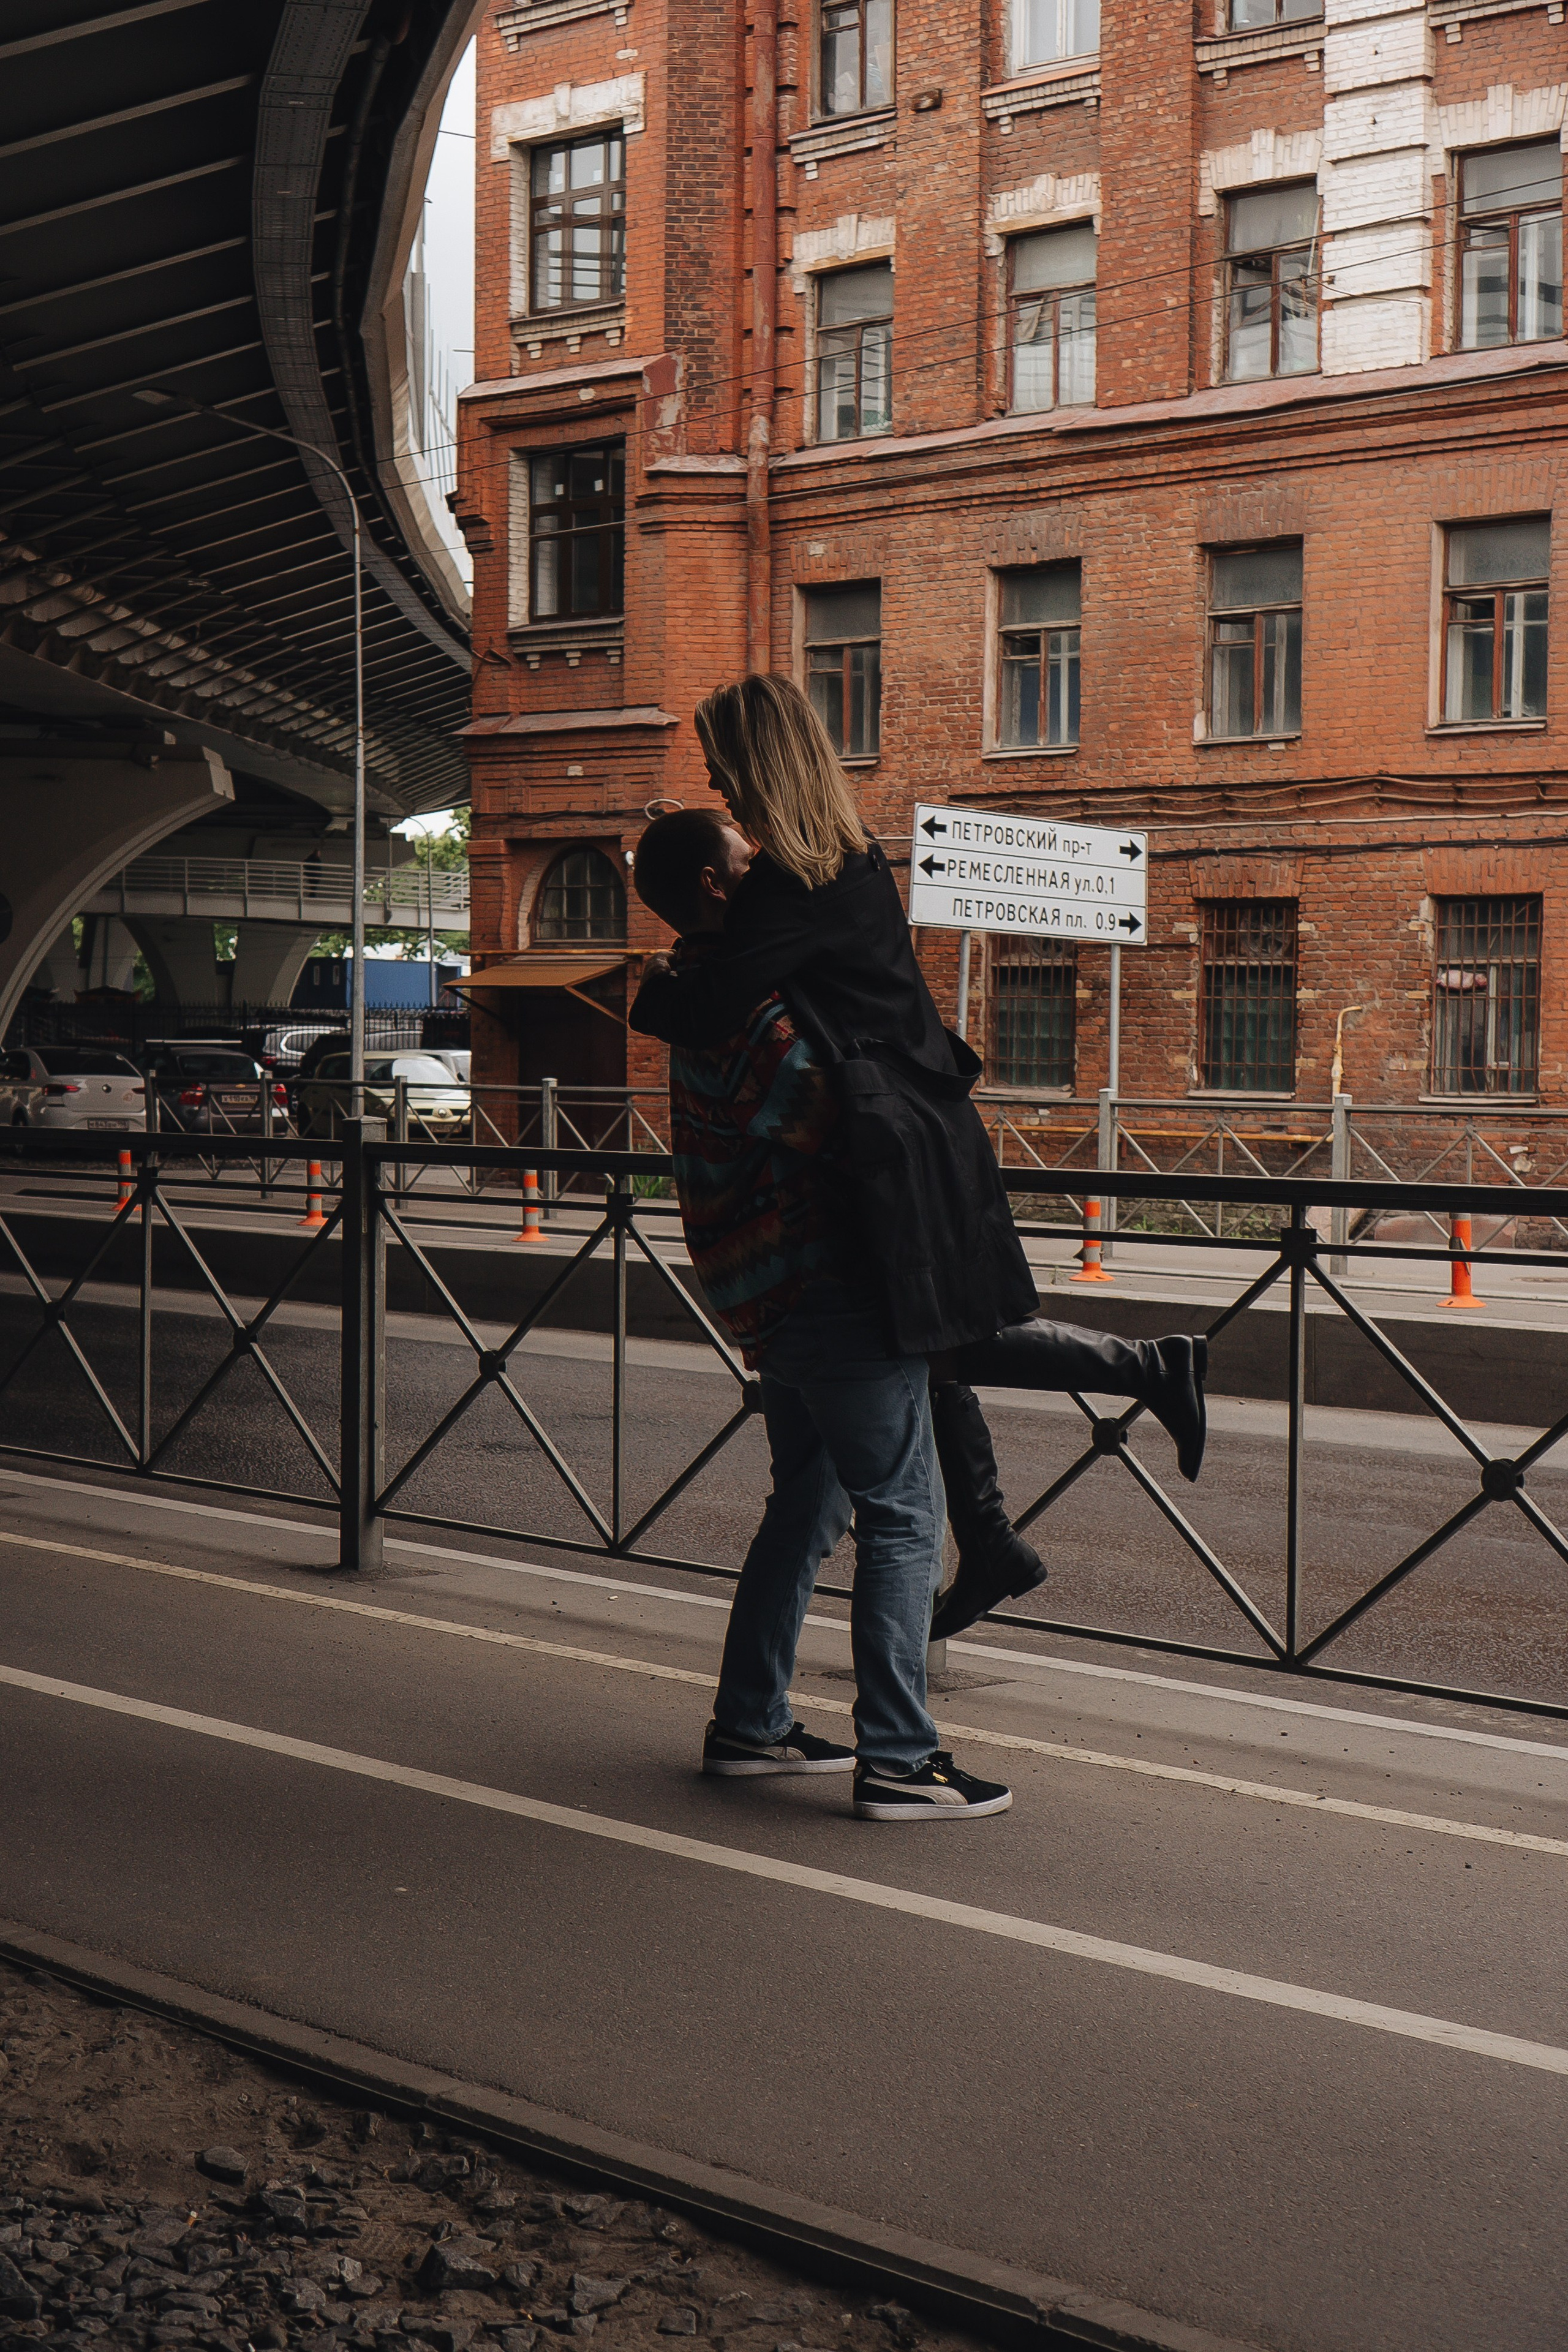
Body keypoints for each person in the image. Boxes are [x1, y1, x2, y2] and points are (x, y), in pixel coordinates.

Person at [632, 801, 1014, 1822]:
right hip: (825, 1287)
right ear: (716, 884)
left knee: (806, 1504)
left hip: (764, 1293)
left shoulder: (698, 993)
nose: (764, 867)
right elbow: (833, 1123)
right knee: (903, 1516)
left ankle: (750, 1724)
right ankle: (899, 1760)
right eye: (747, 857)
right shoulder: (752, 1011)